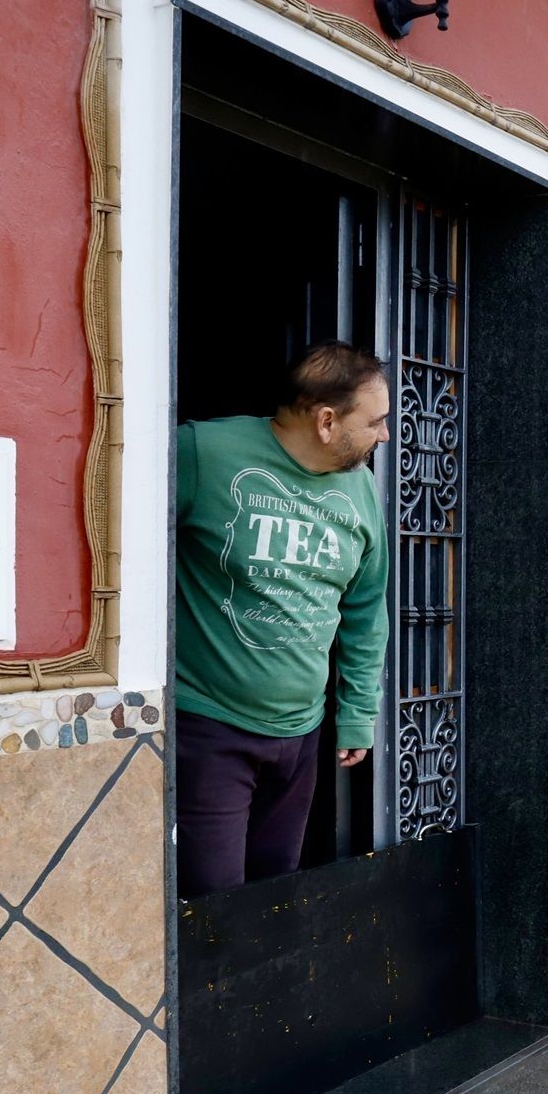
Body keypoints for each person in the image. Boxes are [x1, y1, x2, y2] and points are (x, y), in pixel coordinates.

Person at [173, 342, 392, 898]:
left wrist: (357, 714)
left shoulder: (361, 490)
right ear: (326, 421)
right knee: (213, 909)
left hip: (301, 737)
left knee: (275, 898)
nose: (384, 436)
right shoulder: (202, 452)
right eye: (375, 422)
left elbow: (366, 612)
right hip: (211, 729)